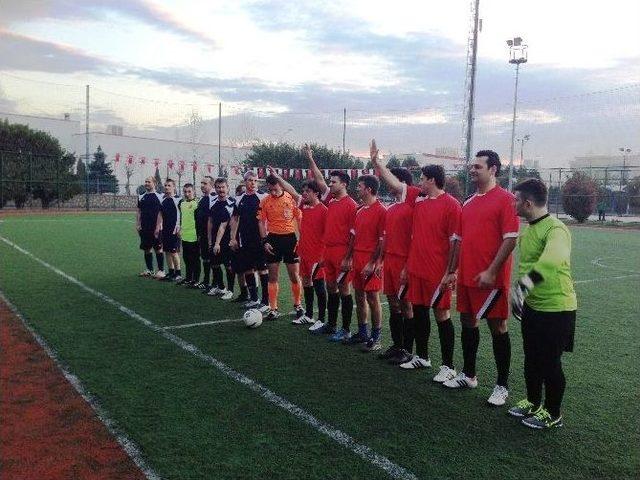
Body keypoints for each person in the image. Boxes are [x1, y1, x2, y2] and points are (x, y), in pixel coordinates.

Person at [373, 145, 461, 382]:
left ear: (432, 180)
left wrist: (451, 272)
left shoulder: (452, 204)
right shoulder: (418, 200)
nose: (419, 182)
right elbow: (396, 184)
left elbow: (455, 242)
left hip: (438, 272)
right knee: (420, 312)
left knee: (441, 315)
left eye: (422, 179)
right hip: (416, 269)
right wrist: (378, 164)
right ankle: (422, 356)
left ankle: (448, 366)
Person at [443, 150, 519, 408]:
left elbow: (510, 238)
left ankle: (502, 385)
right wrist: (451, 271)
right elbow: (459, 240)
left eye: (478, 166)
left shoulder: (506, 200)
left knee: (498, 327)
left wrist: (492, 271)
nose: (472, 170)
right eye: (471, 166)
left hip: (492, 279)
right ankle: (469, 374)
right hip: (467, 275)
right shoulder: (468, 202)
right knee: (467, 321)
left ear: (493, 169)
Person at [508, 178, 577, 429]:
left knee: (550, 362)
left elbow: (551, 262)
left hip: (558, 309)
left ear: (527, 203)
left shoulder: (556, 229)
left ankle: (553, 413)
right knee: (532, 358)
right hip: (533, 307)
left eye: (516, 199)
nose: (513, 204)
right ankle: (533, 401)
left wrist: (521, 289)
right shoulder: (531, 229)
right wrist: (523, 296)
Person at [368, 140, 418, 364]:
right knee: (394, 303)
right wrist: (379, 261)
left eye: (392, 181)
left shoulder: (413, 203)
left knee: (406, 305)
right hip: (389, 262)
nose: (388, 185)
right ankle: (397, 346)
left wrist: (377, 164)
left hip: (405, 263)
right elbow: (386, 237)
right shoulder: (393, 208)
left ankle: (408, 349)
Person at [305, 145, 357, 340]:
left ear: (343, 184)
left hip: (342, 252)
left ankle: (345, 330)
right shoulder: (332, 201)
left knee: (344, 289)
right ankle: (332, 325)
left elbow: (354, 234)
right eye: (330, 181)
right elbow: (318, 179)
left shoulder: (351, 205)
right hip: (328, 251)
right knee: (330, 287)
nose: (330, 184)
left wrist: (348, 257)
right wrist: (311, 159)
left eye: (333, 182)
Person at [269, 167, 328, 327]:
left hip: (318, 255)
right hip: (304, 253)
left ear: (316, 193)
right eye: (304, 191)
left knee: (319, 286)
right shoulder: (303, 206)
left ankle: (321, 319)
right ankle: (309, 315)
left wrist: (324, 256)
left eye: (307, 191)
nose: (304, 193)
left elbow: (328, 235)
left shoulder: (324, 211)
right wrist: (277, 177)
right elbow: (291, 190)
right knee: (307, 283)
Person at [342, 174, 386, 351]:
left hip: (370, 261)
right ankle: (362, 333)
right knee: (359, 296)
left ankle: (376, 338)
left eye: (360, 186)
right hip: (357, 259)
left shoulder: (382, 211)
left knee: (373, 299)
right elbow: (353, 236)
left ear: (368, 189)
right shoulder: (359, 210)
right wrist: (348, 257)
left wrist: (373, 262)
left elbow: (382, 240)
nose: (357, 189)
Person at [258, 174, 304, 320]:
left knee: (294, 276)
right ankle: (273, 308)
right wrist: (264, 240)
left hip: (290, 239)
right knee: (273, 276)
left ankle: (298, 305)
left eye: (275, 189)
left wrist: (301, 238)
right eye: (270, 190)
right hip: (273, 240)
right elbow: (260, 222)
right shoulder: (265, 201)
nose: (273, 192)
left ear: (281, 186)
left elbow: (299, 218)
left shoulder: (291, 199)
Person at [229, 171, 270, 313]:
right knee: (248, 269)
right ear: (244, 182)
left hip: (260, 240)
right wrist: (233, 237)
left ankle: (266, 301)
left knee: (263, 270)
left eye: (255, 180)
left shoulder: (263, 197)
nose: (253, 183)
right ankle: (253, 299)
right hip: (244, 239)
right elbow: (234, 218)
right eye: (250, 180)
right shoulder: (239, 199)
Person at [207, 178, 235, 300]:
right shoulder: (212, 202)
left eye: (223, 187)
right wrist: (210, 241)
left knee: (228, 265)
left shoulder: (232, 203)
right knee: (214, 264)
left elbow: (224, 225)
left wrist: (218, 243)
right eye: (218, 187)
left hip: (226, 240)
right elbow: (210, 222)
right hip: (214, 239)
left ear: (227, 188)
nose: (220, 189)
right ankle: (220, 287)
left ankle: (230, 290)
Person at [136, 176, 165, 279]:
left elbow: (162, 212)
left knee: (158, 248)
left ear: (154, 183)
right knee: (147, 248)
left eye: (149, 182)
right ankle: (150, 270)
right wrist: (138, 224)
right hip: (145, 227)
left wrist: (159, 226)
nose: (146, 183)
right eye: (146, 181)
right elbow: (139, 211)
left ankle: (161, 270)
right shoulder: (141, 196)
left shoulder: (161, 196)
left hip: (157, 227)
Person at [194, 176, 216, 290]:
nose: (202, 185)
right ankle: (206, 281)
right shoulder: (202, 199)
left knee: (214, 260)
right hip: (202, 234)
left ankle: (215, 284)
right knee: (205, 258)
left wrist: (210, 237)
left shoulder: (214, 199)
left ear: (211, 185)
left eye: (205, 183)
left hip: (211, 236)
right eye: (201, 183)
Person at [159, 179, 182, 281]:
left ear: (174, 187)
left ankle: (178, 273)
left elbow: (182, 215)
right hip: (165, 230)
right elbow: (161, 215)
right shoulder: (163, 200)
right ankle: (171, 272)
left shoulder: (179, 200)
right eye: (165, 185)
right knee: (167, 251)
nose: (166, 187)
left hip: (175, 230)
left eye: (169, 185)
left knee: (174, 252)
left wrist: (179, 227)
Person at [178, 183, 200, 286]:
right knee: (186, 258)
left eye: (189, 191)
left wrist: (199, 234)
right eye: (185, 191)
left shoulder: (196, 204)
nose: (187, 194)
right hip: (185, 235)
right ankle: (188, 278)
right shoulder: (182, 204)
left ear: (194, 192)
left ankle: (196, 280)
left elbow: (199, 220)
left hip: (194, 236)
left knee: (194, 259)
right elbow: (181, 219)